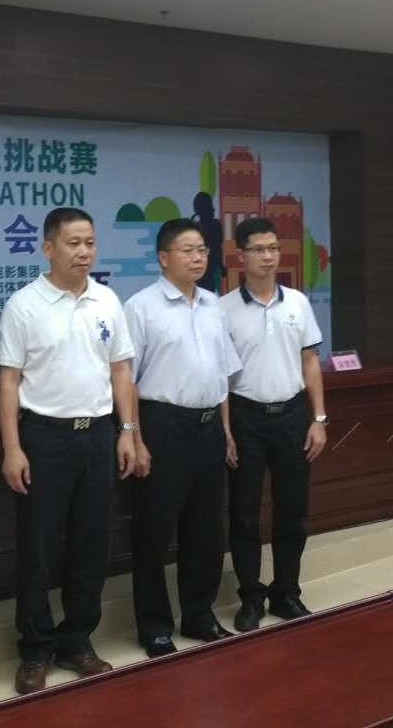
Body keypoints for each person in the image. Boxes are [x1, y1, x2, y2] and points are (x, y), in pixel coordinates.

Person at [0, 207, 139, 694]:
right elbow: (8, 381)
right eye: (73, 243)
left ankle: (77, 642)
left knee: (91, 543)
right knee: (37, 547)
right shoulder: (24, 304)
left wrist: (127, 431)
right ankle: (35, 649)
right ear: (48, 248)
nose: (84, 252)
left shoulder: (107, 300)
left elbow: (120, 370)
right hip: (44, 437)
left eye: (90, 243)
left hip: (97, 434)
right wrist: (12, 448)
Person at [124, 218, 243, 658]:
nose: (198, 258)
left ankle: (199, 615)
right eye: (188, 250)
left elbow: (223, 375)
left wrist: (225, 430)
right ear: (163, 258)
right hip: (162, 425)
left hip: (209, 426)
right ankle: (154, 625)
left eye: (203, 251)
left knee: (206, 528)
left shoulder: (213, 305)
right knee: (154, 530)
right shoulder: (141, 307)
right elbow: (126, 381)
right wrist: (135, 438)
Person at [220, 217, 327, 632]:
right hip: (245, 417)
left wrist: (318, 419)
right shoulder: (223, 309)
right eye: (259, 249)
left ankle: (287, 593)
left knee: (292, 511)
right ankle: (250, 596)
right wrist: (226, 431)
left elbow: (310, 362)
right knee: (244, 514)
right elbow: (221, 378)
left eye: (274, 248)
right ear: (240, 256)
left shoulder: (297, 302)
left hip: (292, 417)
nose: (268, 257)